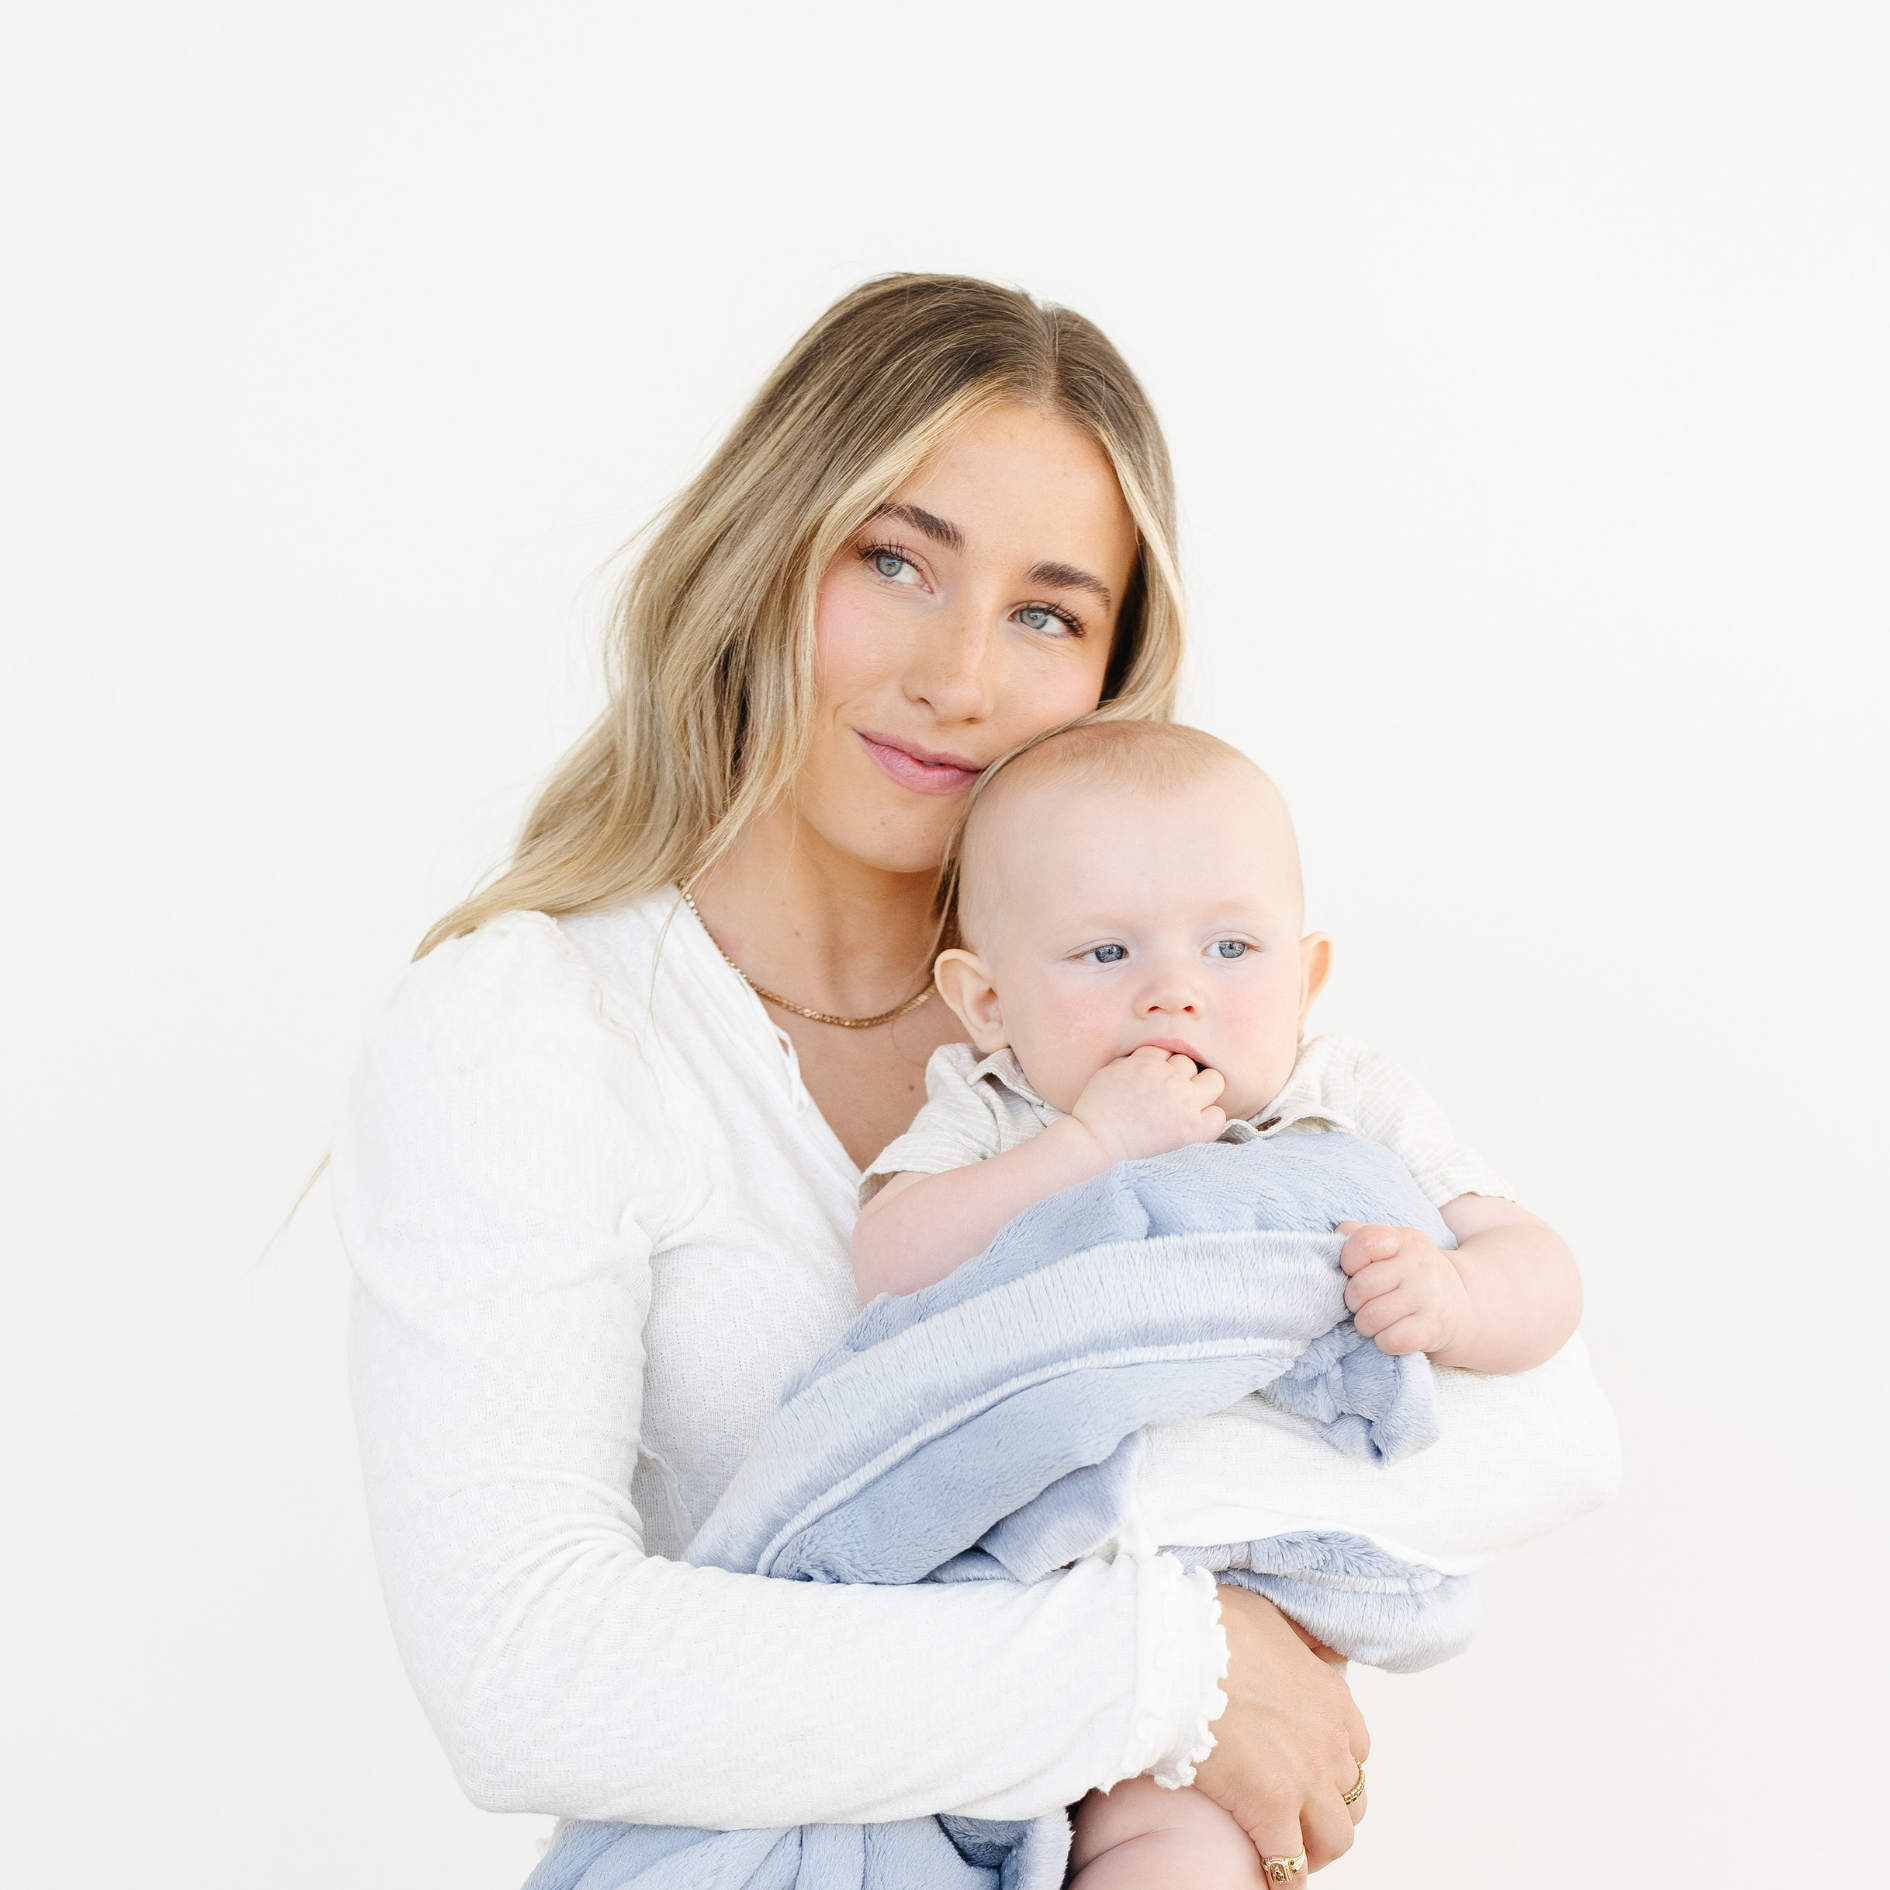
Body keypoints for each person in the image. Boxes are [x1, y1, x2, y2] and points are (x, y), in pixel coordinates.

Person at [337, 274, 1369, 1881]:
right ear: (766, 554)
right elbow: (523, 1670)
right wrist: (1172, 1669)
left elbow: (1543, 1430)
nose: (958, 675)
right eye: (895, 561)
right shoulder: (533, 1024)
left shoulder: (1156, 1008)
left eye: (1046, 611)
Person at [848, 717, 1583, 1885]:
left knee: (1175, 1845)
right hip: (1014, 1603)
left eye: (1232, 948)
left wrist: (1451, 1294)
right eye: (1103, 956)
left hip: (1241, 1612)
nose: (1174, 996)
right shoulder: (997, 1107)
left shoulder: (1342, 1094)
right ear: (987, 1002)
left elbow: (1544, 1277)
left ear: (1309, 975)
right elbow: (889, 1265)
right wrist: (1085, 1149)